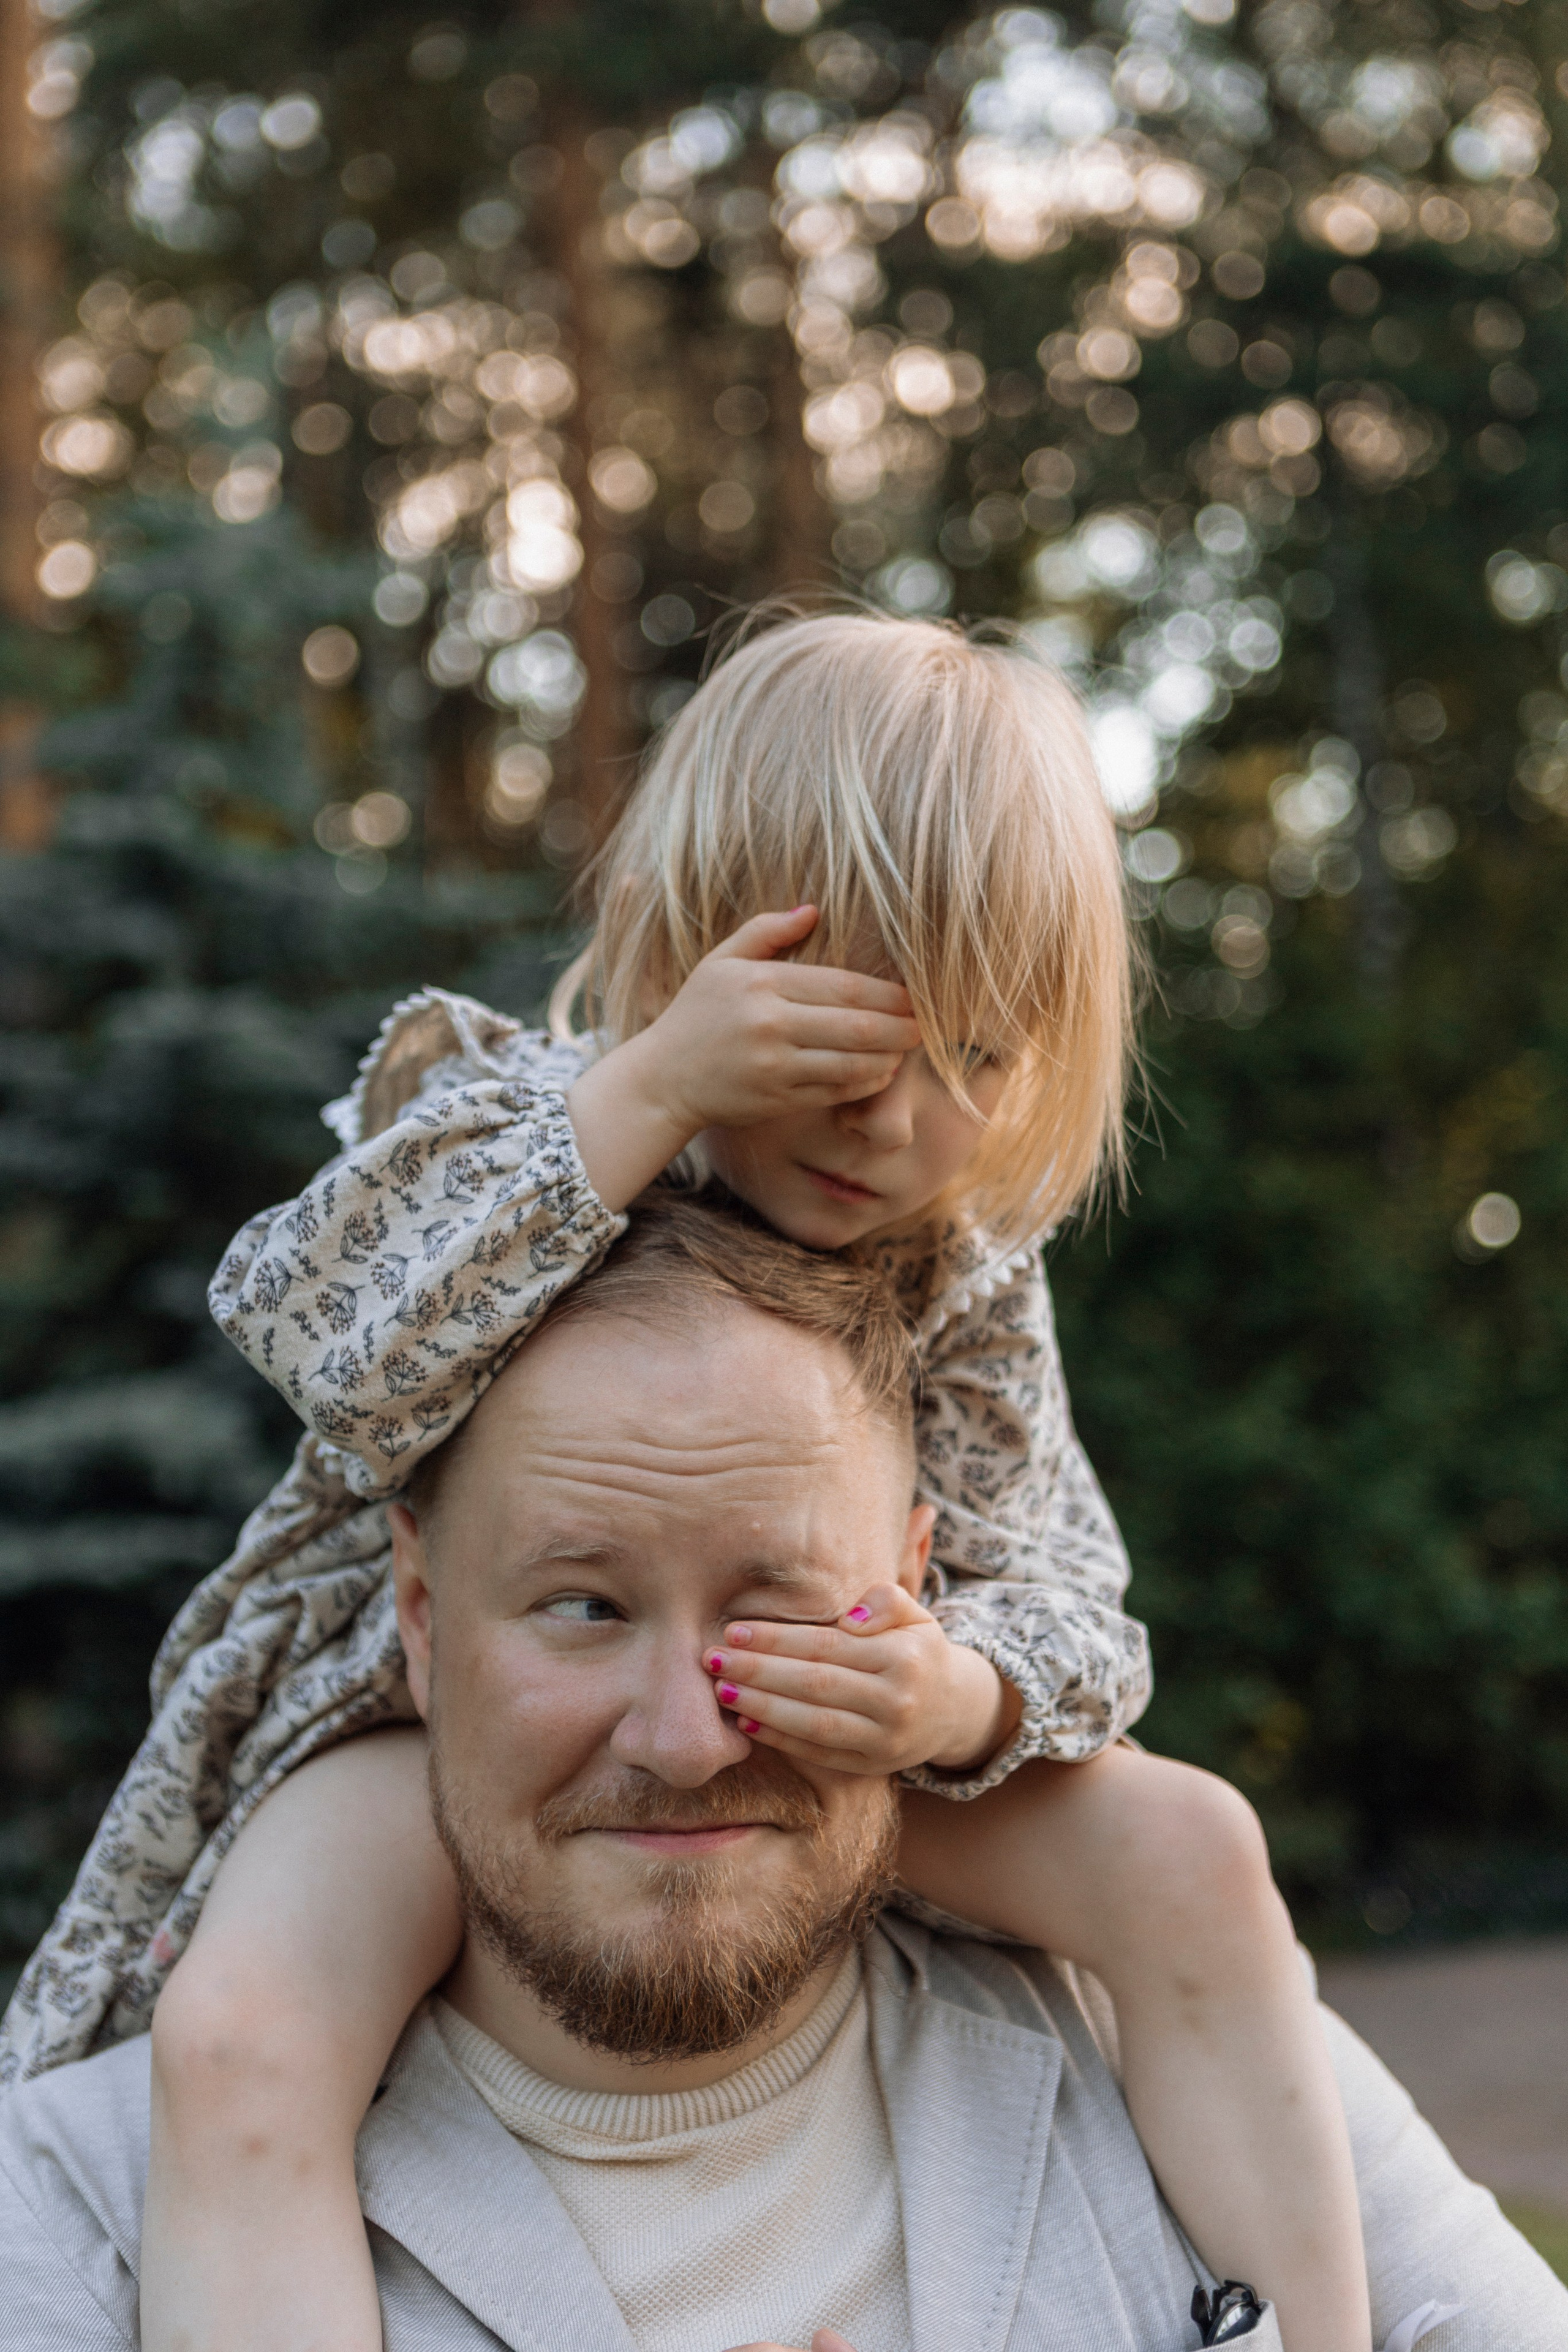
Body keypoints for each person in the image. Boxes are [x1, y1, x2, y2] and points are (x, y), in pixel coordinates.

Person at [10, 613, 1359, 2350]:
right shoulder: (516, 1114)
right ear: (692, 951)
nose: (899, 1117)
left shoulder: (960, 1274)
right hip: (427, 1730)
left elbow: (1073, 1603)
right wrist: (646, 1093)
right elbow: (306, 1332)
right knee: (247, 2030)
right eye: (843, 1027)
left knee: (1192, 1843)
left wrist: (951, 1690)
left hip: (834, 1721)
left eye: (982, 1056)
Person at [1, 1198, 1563, 2352]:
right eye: (581, 1606)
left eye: (779, 1612)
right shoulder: (77, 2209)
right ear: (415, 1620)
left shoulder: (1195, 2047)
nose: (685, 1741)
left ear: (917, 1586)